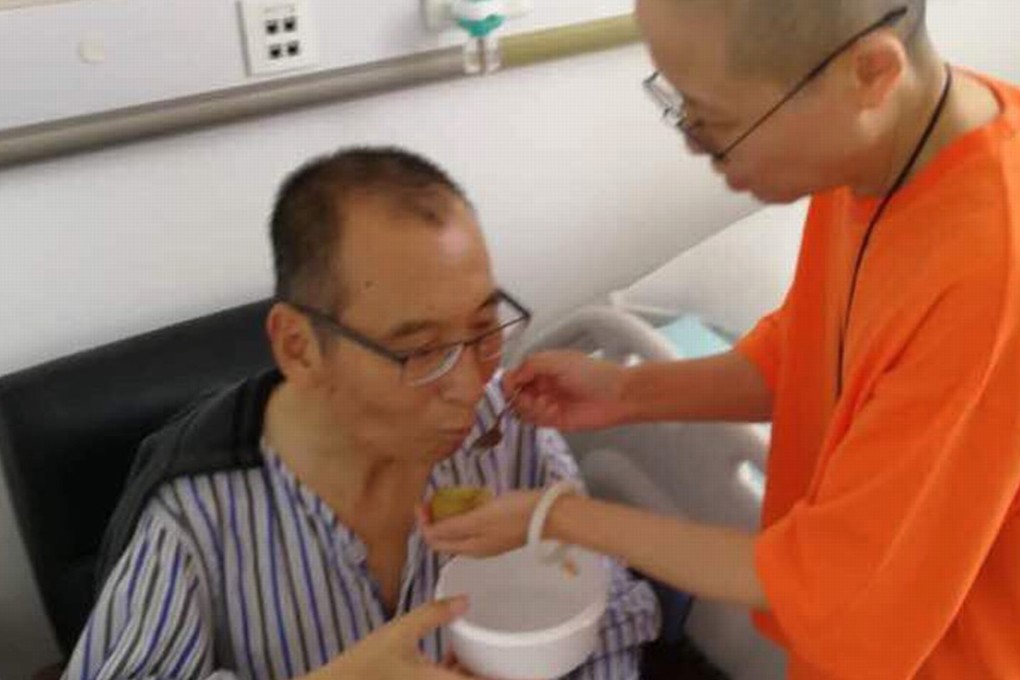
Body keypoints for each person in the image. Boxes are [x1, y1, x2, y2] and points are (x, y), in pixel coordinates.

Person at [423, 1, 1020, 678]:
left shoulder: (989, 273)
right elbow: (810, 355)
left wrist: (557, 518)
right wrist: (627, 391)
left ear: (871, 73)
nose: (693, 145)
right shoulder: (871, 151)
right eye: (679, 108)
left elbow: (834, 580)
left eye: (718, 124)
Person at [62, 148, 659, 680]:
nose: (470, 385)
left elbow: (604, 624)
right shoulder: (193, 517)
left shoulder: (508, 430)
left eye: (483, 329)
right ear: (298, 346)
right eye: (422, 350)